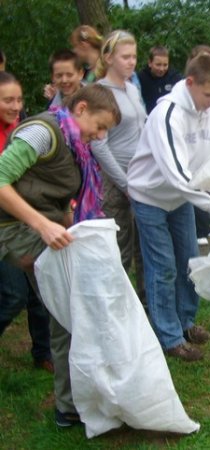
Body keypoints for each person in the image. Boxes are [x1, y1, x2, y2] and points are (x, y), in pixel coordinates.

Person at [0, 84, 120, 426]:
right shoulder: (42, 132)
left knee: (71, 310)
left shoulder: (73, 144)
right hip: (14, 230)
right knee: (71, 310)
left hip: (40, 227)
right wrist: (42, 225)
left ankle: (74, 401)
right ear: (81, 109)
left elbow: (55, 196)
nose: (100, 136)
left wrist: (75, 228)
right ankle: (70, 405)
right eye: (99, 126)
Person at [127, 54, 210, 362]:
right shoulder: (167, 115)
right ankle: (169, 337)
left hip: (182, 198)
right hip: (151, 197)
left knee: (189, 262)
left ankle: (185, 322)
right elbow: (177, 175)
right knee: (163, 267)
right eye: (208, 95)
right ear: (191, 82)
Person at [0, 71, 53, 373]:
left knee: (37, 289)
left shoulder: (24, 129)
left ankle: (43, 352)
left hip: (22, 221)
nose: (16, 106)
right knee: (13, 295)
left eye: (19, 99)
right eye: (8, 100)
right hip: (5, 227)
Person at [91, 30, 147, 301]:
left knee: (144, 247)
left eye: (134, 56)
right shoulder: (100, 92)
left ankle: (146, 306)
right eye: (125, 57)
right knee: (119, 249)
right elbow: (98, 145)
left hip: (141, 178)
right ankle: (116, 307)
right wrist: (124, 183)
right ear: (109, 58)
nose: (131, 62)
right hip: (114, 183)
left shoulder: (132, 89)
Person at [186, 45, 210, 246]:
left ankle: (205, 227)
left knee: (204, 190)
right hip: (183, 172)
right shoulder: (173, 110)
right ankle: (197, 230)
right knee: (192, 192)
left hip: (204, 161)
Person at [137, 46, 183, 114]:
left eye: (165, 65)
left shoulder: (175, 78)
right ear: (150, 63)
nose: (161, 69)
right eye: (158, 65)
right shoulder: (140, 79)